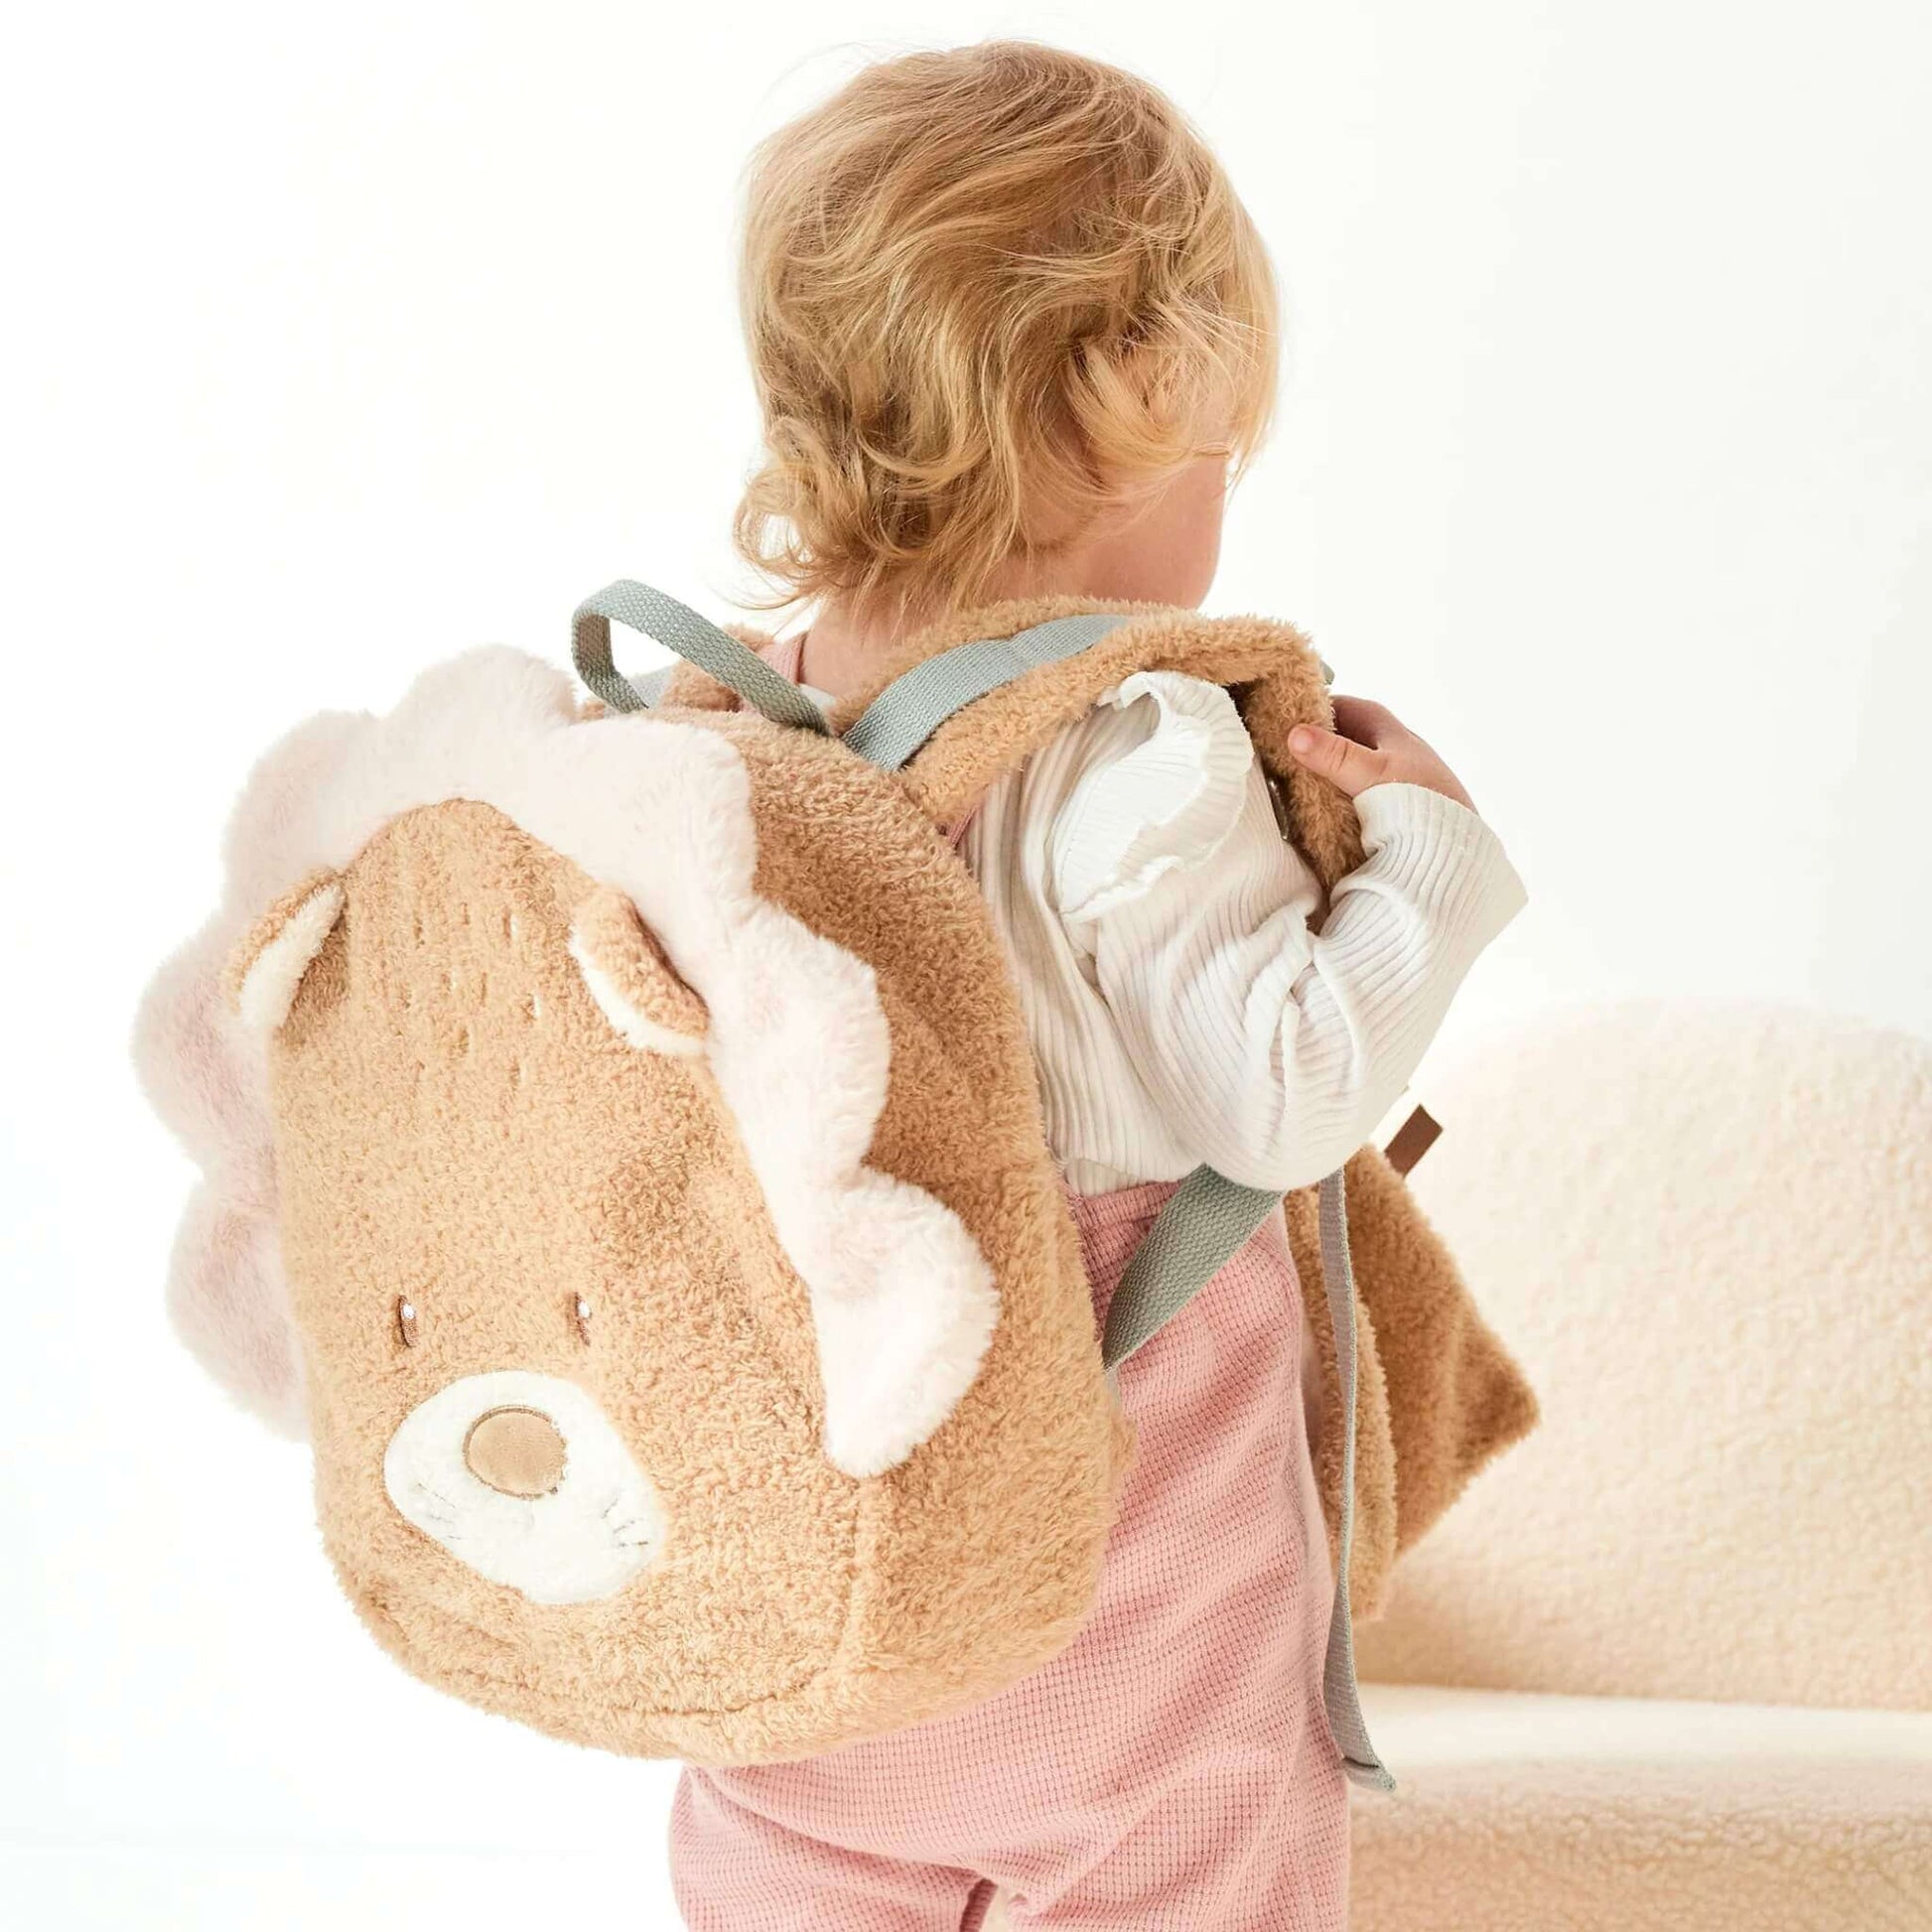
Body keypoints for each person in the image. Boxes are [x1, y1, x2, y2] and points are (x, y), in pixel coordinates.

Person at [671, 39, 1527, 1931]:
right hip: (1116, 1609)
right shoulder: (1134, 744)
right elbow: (1280, 1094)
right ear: (1122, 398)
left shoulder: (731, 717)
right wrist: (1433, 874)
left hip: (818, 1598)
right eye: (1220, 443)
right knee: (1184, 1856)